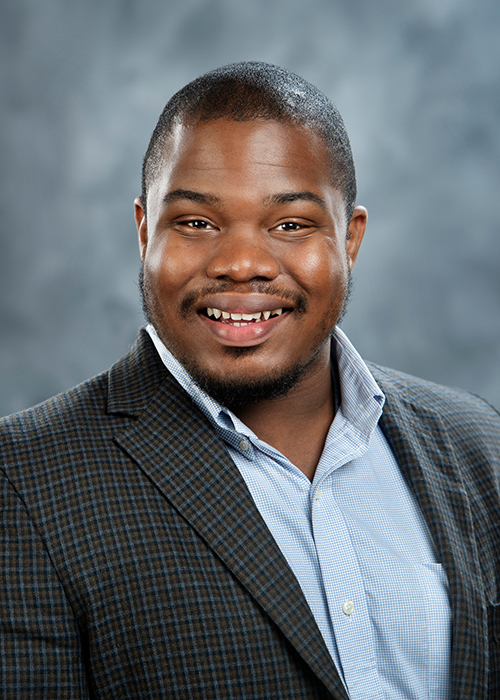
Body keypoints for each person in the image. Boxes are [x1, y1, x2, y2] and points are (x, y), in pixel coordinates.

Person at [1, 62, 499, 700]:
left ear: (350, 239)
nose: (242, 264)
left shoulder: (479, 442)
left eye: (290, 224)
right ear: (144, 230)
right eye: (196, 223)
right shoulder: (21, 480)